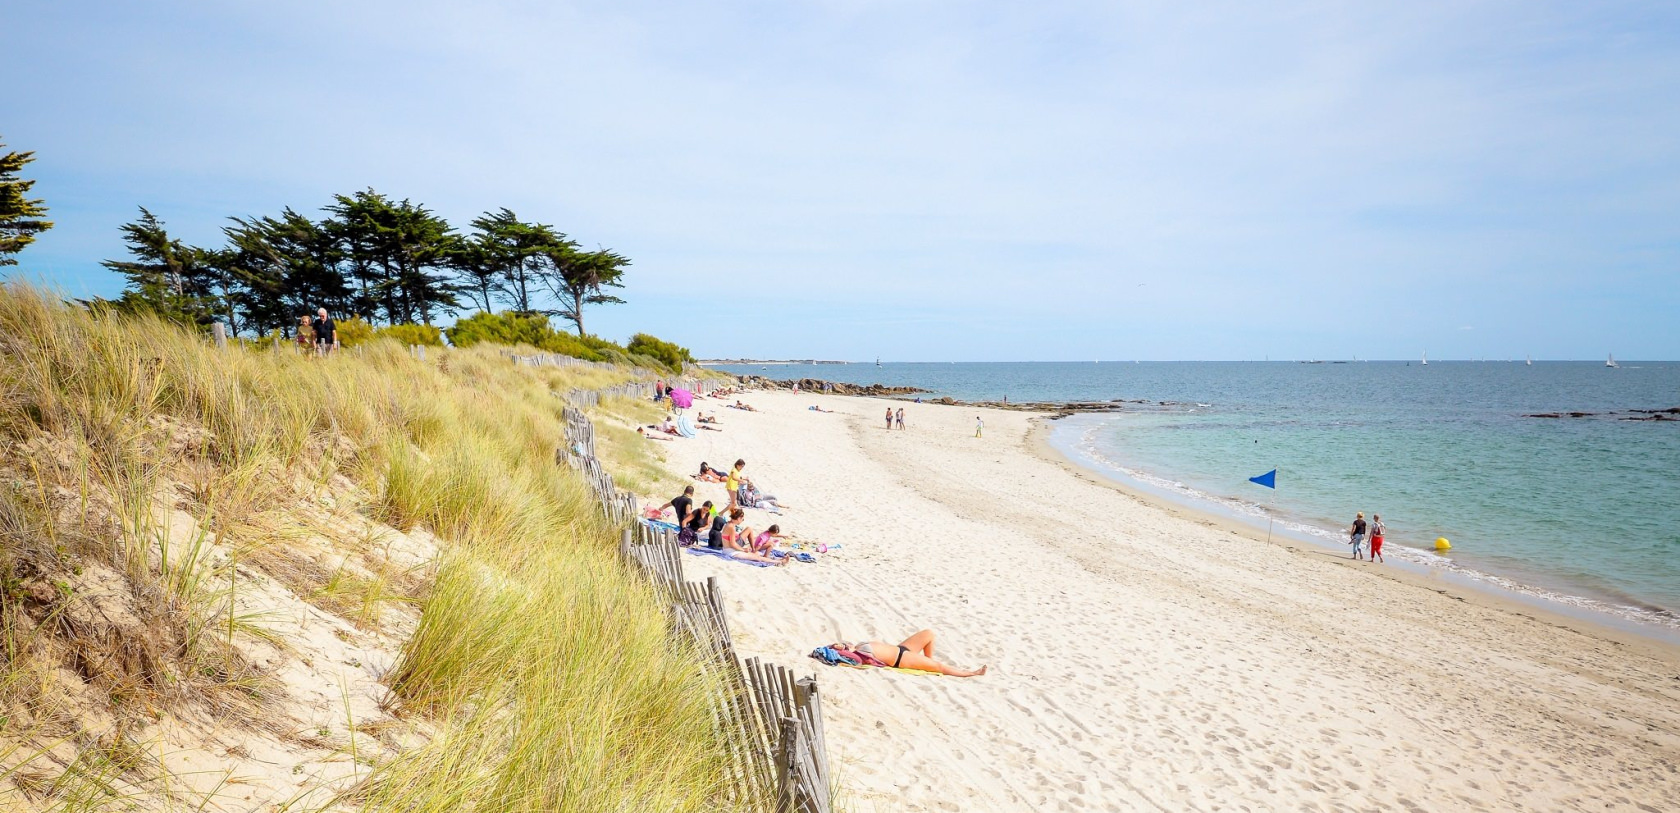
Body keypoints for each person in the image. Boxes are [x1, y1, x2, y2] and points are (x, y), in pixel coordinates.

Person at [838, 630, 986, 677]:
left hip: (902, 649)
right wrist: (840, 649)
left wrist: (843, 645)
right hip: (901, 659)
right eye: (846, 645)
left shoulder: (858, 646)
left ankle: (928, 662)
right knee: (940, 667)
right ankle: (970, 673)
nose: (848, 644)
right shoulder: (858, 654)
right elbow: (852, 660)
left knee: (929, 634)